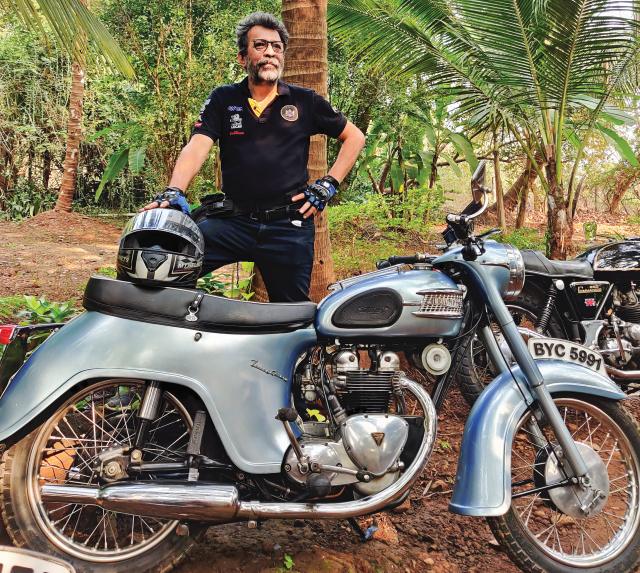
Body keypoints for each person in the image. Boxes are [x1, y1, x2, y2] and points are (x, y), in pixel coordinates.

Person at [141, 12, 365, 302]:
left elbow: (354, 137)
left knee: (290, 315)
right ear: (242, 58)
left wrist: (327, 184)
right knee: (166, 270)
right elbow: (198, 146)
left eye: (277, 46)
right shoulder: (224, 99)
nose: (270, 52)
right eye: (260, 45)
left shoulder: (304, 100)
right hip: (233, 221)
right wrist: (175, 190)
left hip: (289, 226)